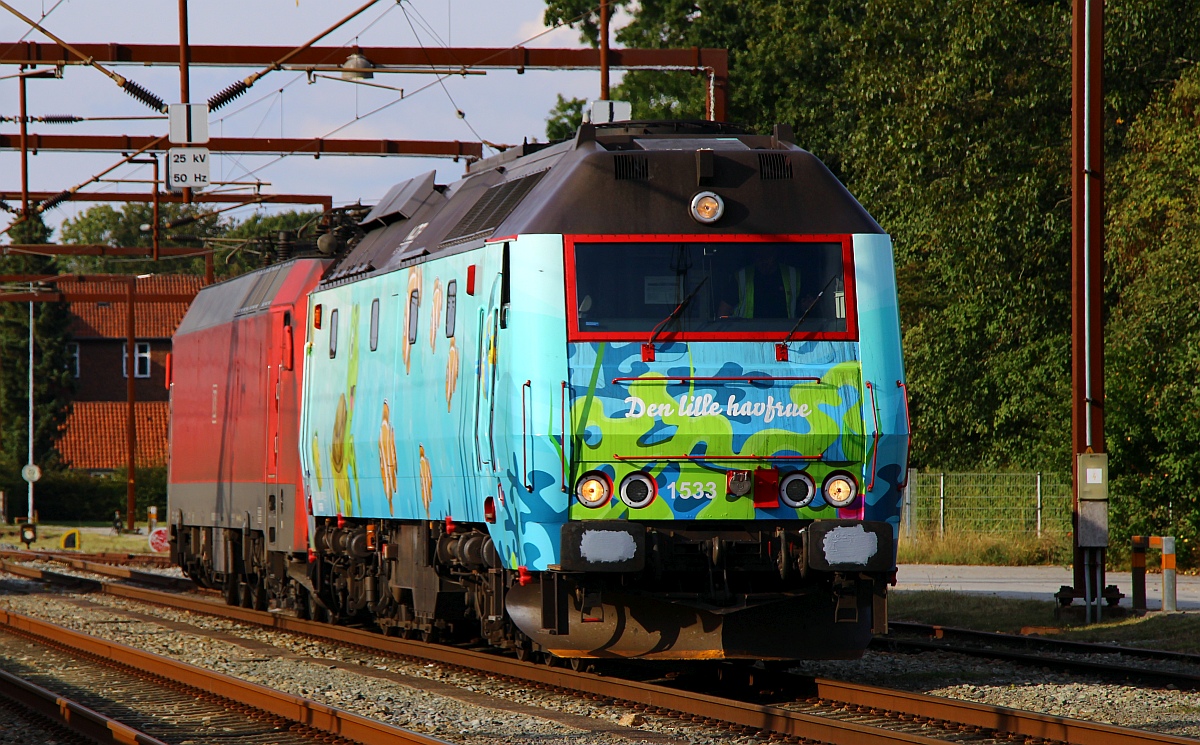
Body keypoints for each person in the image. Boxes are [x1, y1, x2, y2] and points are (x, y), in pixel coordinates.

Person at [718, 244, 800, 319]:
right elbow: (723, 311)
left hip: (787, 330)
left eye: (767, 255)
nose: (763, 260)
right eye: (759, 255)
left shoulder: (793, 275)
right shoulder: (741, 277)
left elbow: (804, 306)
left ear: (775, 253)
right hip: (748, 330)